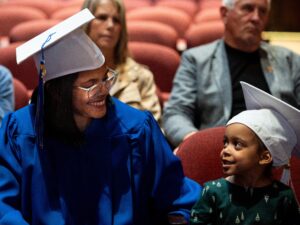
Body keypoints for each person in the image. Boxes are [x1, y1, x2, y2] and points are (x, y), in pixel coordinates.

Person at [0, 9, 201, 225]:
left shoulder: (136, 128)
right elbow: (3, 205)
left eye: (105, 78)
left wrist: (179, 217)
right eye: (89, 84)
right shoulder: (19, 131)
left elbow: (177, 194)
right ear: (56, 92)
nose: (103, 90)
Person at [162, 0, 300, 148]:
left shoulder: (289, 60)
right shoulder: (196, 59)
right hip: (218, 151)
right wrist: (197, 143)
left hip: (280, 152)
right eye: (248, 8)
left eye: (262, 11)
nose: (256, 18)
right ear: (224, 13)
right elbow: (176, 112)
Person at [190, 82, 300, 225]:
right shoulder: (213, 191)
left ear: (264, 157)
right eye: (225, 142)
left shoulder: (283, 197)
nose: (225, 150)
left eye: (237, 144)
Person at [81, 0, 162, 123]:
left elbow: (153, 130)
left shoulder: (141, 76)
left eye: (116, 20)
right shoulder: (68, 75)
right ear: (86, 23)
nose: (110, 25)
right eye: (102, 17)